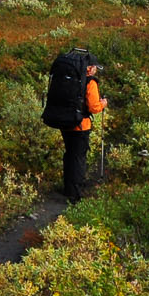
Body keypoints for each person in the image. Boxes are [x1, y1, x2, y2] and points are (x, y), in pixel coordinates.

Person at [61, 60, 108, 201]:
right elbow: (94, 108)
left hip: (65, 123)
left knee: (69, 155)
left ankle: (68, 189)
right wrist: (103, 104)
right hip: (81, 125)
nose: (95, 70)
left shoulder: (68, 78)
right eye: (94, 67)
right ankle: (76, 195)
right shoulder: (90, 82)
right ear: (90, 68)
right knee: (78, 158)